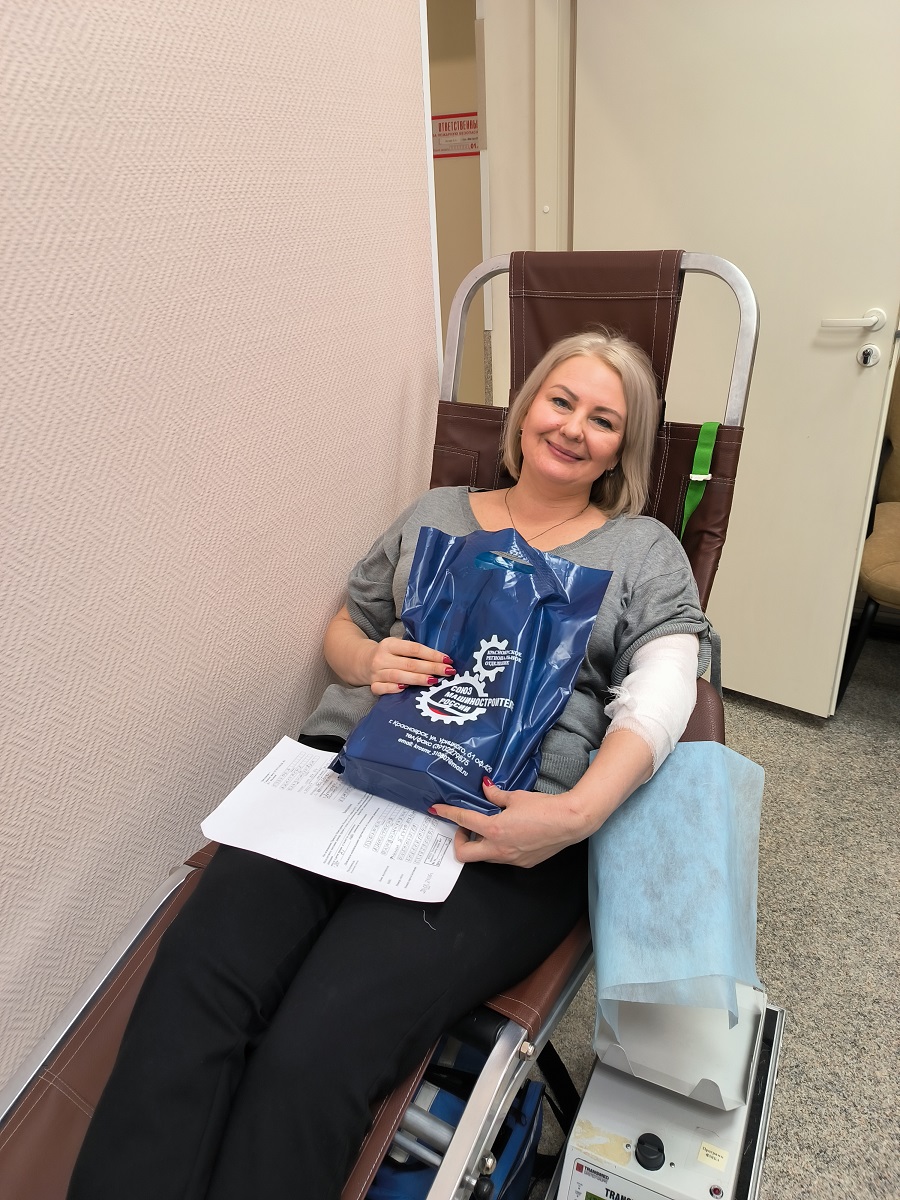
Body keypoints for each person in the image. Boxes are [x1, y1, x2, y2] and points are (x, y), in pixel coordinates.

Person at [67, 329, 710, 1200]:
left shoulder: (640, 548)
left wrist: (575, 816)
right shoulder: (436, 511)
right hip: (345, 776)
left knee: (316, 1048)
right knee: (192, 985)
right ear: (527, 408)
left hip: (500, 827)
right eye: (561, 400)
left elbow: (665, 688)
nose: (572, 427)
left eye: (603, 419)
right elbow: (349, 624)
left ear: (620, 450)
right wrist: (369, 660)